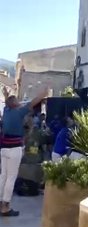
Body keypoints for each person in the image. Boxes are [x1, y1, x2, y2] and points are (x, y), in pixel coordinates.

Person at [0, 87, 47, 217]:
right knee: (11, 177)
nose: (19, 101)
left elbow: (7, 102)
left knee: (3, 176)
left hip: (3, 148)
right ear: (15, 104)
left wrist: (6, 95)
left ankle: (0, 203)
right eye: (17, 100)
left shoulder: (6, 111)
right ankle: (5, 206)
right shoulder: (18, 112)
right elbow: (33, 102)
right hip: (14, 148)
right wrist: (43, 92)